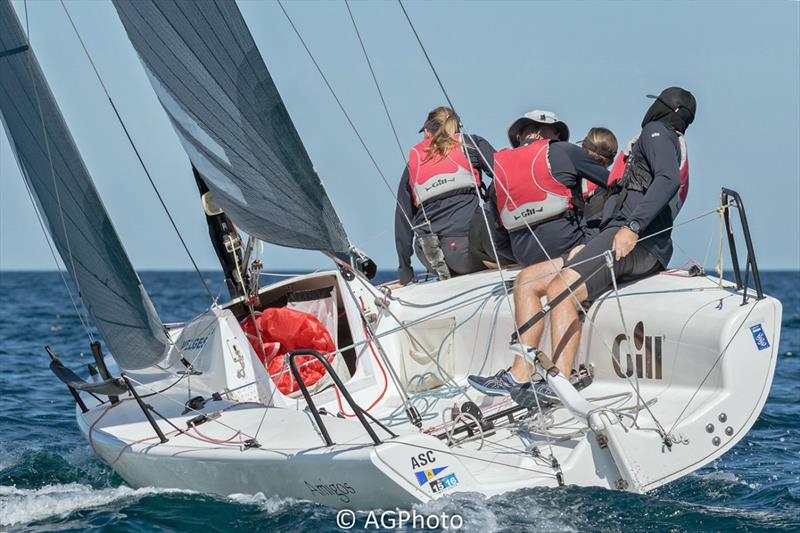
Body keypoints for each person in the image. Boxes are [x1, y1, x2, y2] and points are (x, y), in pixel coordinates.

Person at [468, 87, 695, 400]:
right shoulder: (658, 136)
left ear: (664, 108)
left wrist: (632, 227)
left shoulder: (657, 131)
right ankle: (521, 373)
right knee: (527, 280)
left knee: (563, 289)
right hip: (611, 236)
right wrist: (590, 242)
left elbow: (667, 180)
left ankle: (561, 378)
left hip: (637, 242)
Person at [470, 110, 617, 269]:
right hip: (572, 247)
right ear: (554, 132)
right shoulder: (564, 150)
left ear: (520, 136)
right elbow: (614, 182)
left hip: (525, 259)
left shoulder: (499, 170)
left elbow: (499, 240)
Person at [395, 106, 495, 284]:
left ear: (427, 130)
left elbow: (402, 221)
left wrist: (405, 273)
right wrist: (490, 197)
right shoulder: (470, 145)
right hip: (466, 251)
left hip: (429, 255)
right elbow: (507, 177)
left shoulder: (412, 165)